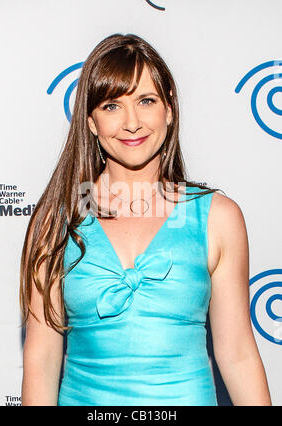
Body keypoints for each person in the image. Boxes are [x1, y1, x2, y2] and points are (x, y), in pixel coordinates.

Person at [20, 33, 272, 406]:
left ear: (169, 110)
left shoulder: (217, 217)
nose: (132, 122)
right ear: (90, 121)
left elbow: (237, 353)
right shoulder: (56, 218)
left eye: (146, 101)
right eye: (111, 106)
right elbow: (41, 360)